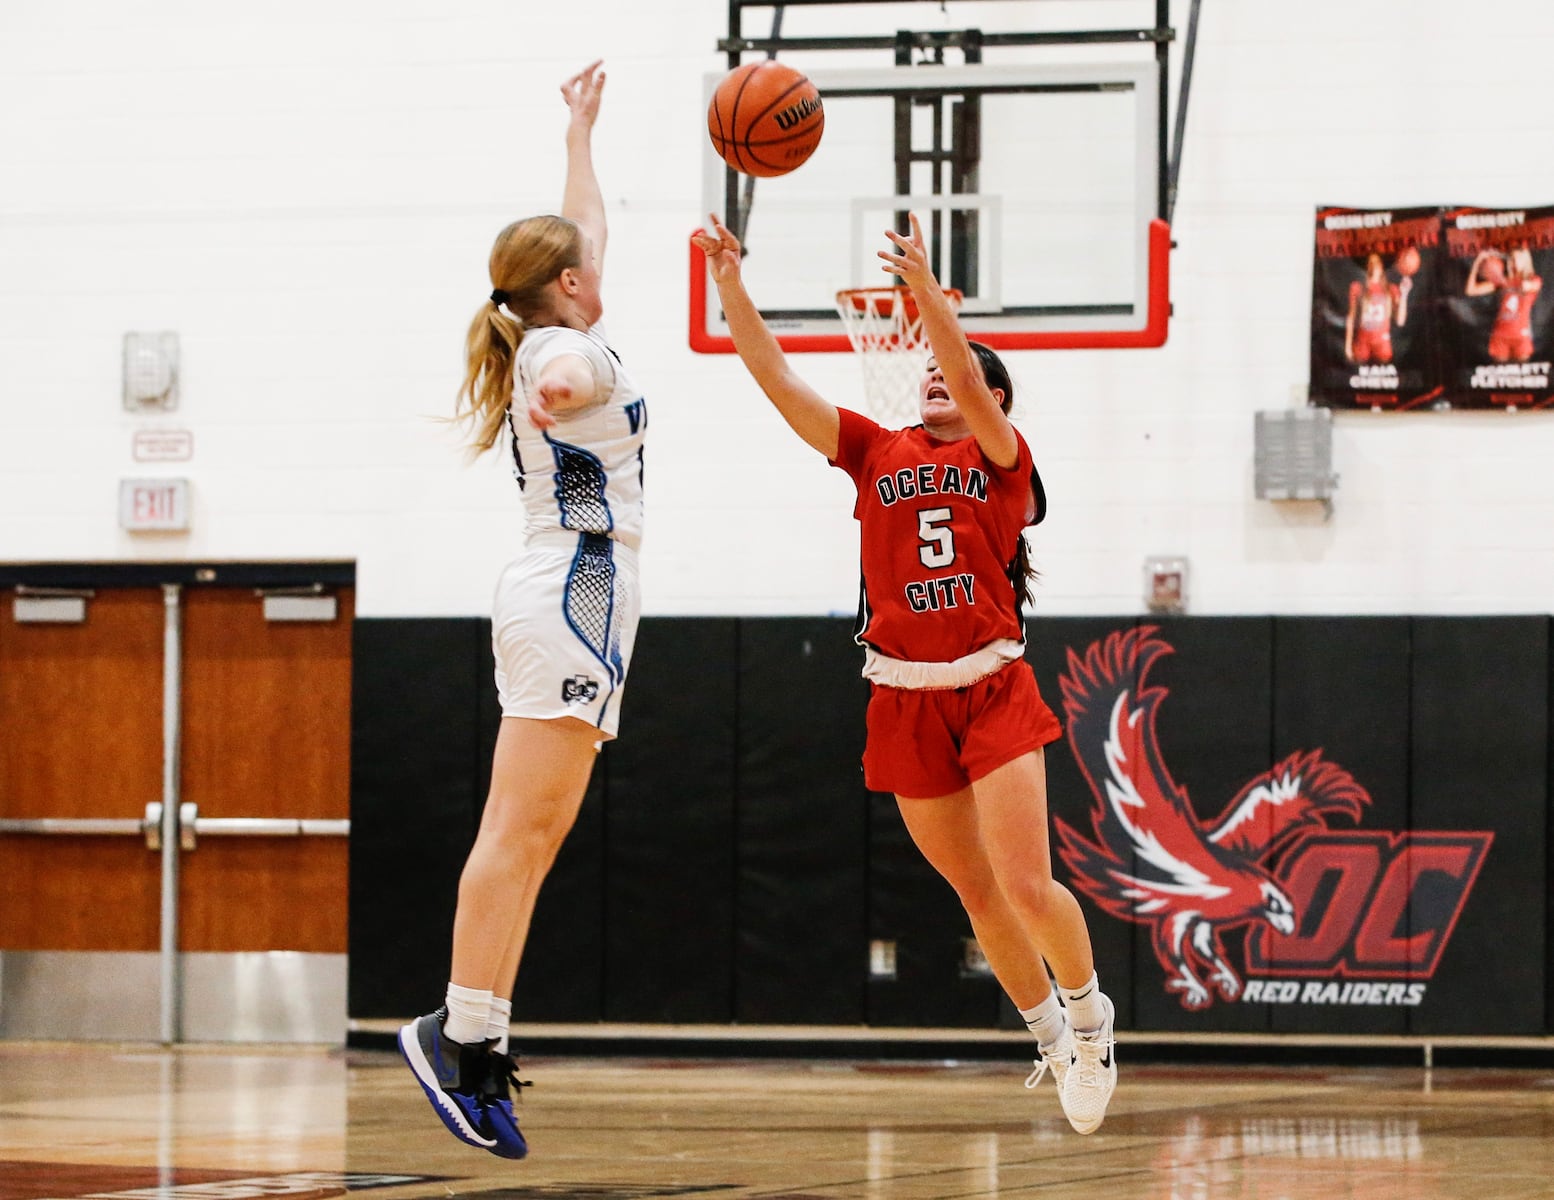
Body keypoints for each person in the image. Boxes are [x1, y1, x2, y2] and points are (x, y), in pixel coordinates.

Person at [691, 211, 1117, 1135]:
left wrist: (927, 294)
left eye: (956, 372)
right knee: (976, 894)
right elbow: (780, 382)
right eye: (922, 366)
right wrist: (730, 287)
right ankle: (1047, 1036)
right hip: (902, 697)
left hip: (992, 686)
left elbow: (965, 371)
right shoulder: (874, 452)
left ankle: (1090, 1020)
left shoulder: (999, 461)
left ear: (995, 402)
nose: (935, 373)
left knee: (1026, 884)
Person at [398, 60, 647, 1161]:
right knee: (521, 832)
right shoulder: (558, 347)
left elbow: (579, 228)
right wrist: (553, 393)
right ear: (570, 283)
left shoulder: (558, 317)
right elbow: (563, 368)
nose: (601, 263)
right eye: (588, 262)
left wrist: (582, 136)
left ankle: (478, 1035)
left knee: (535, 838)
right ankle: (457, 1035)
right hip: (571, 589)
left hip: (581, 594)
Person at [1466, 245, 1542, 362]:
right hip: (1500, 336)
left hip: (1521, 337)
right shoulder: (1501, 283)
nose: (1512, 263)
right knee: (1500, 375)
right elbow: (1470, 290)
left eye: (1515, 259)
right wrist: (1478, 262)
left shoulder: (1534, 279)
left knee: (1524, 374)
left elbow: (1527, 286)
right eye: (1510, 259)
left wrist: (1502, 279)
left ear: (1524, 261)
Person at [1345, 252, 1409, 364]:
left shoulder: (1391, 289)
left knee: (1383, 375)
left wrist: (1404, 294)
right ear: (1366, 267)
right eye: (1371, 262)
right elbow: (1351, 317)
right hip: (1362, 342)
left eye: (1377, 262)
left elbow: (1400, 321)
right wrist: (1347, 346)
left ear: (1382, 266)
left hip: (1382, 343)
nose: (1374, 265)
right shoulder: (1357, 287)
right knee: (1360, 375)